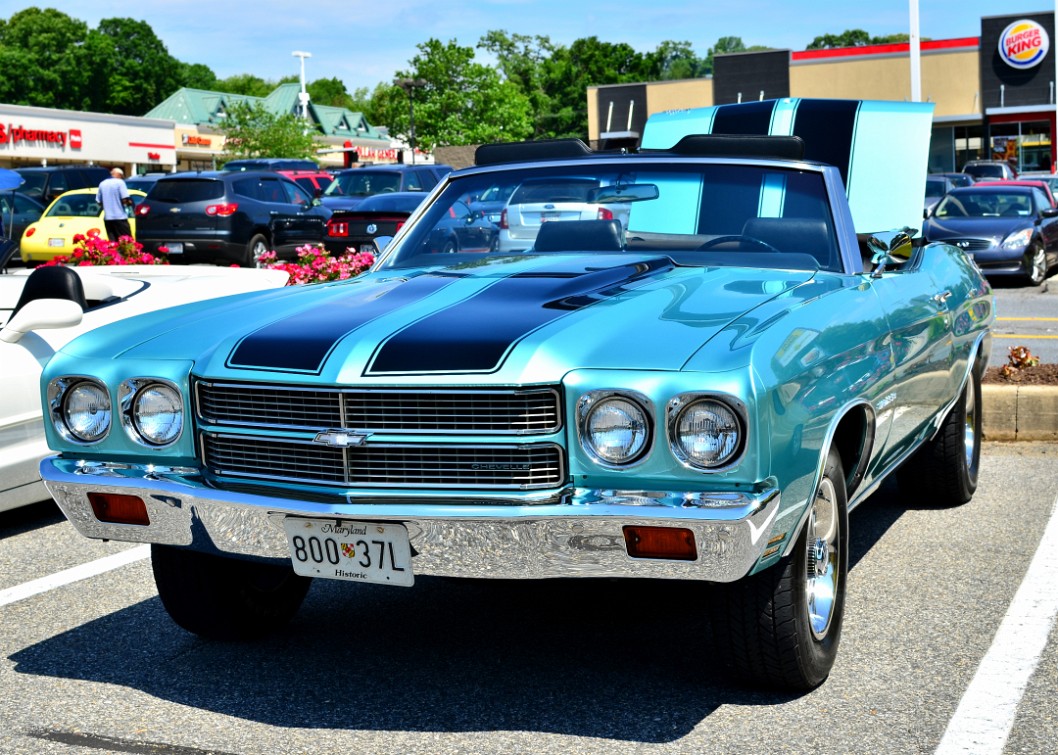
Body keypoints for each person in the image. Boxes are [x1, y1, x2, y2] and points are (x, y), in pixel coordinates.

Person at [96, 167, 134, 241]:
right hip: (120, 217)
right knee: (127, 241)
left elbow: (98, 201)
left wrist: (107, 206)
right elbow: (125, 199)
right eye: (122, 177)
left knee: (113, 242)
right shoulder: (120, 182)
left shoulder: (102, 183)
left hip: (108, 218)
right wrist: (130, 204)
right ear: (119, 175)